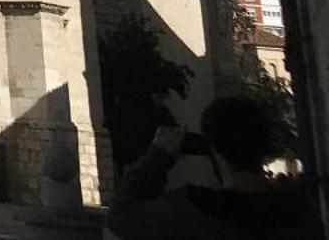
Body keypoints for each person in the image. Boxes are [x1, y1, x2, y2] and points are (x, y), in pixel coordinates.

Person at [105, 95, 313, 239]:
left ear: (215, 150)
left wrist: (157, 157)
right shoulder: (298, 212)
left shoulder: (193, 210)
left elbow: (120, 216)